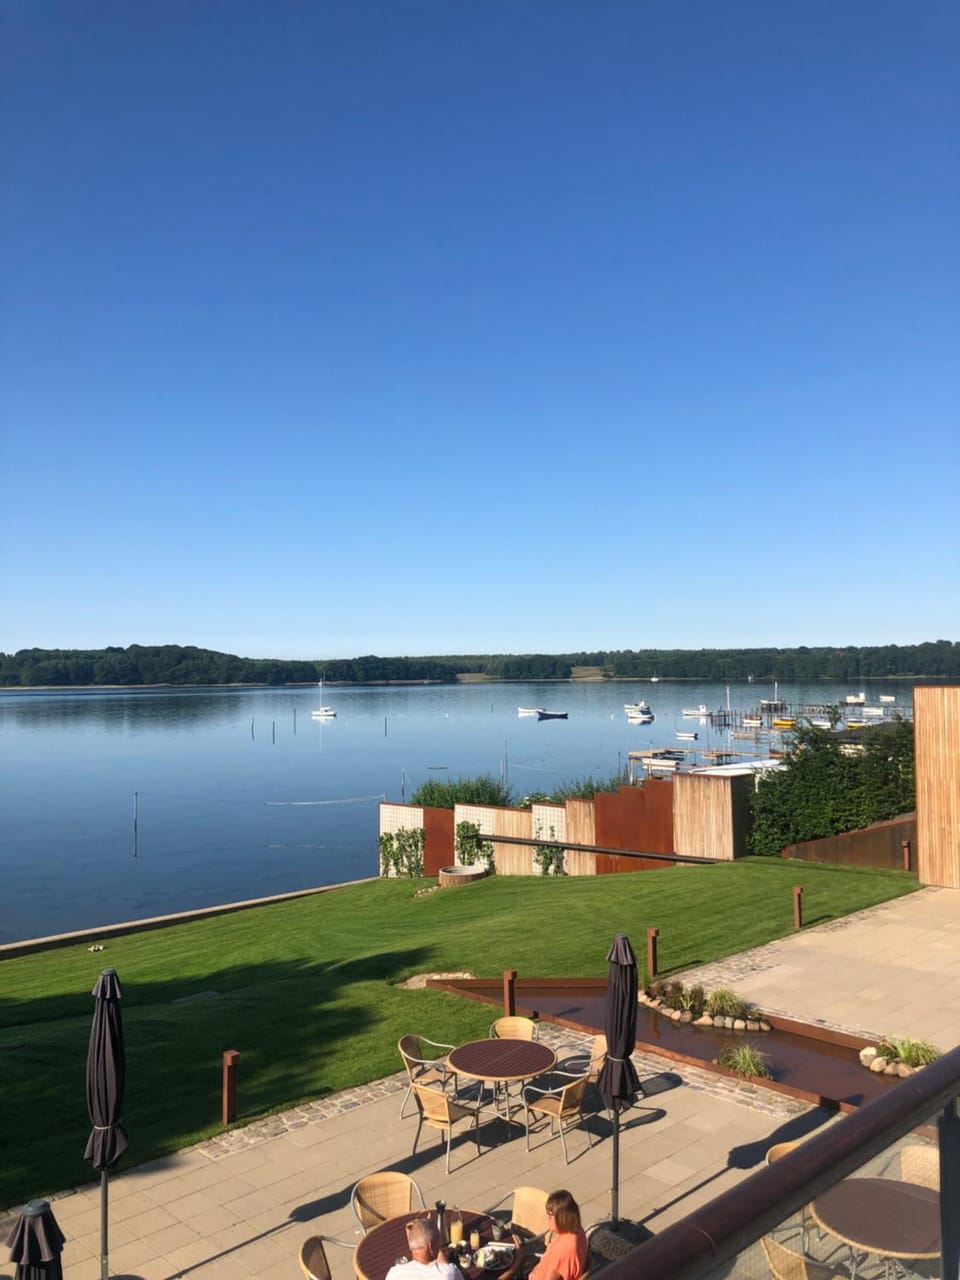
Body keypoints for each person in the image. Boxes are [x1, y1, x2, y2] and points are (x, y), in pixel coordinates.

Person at [529, 1190, 587, 1280]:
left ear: (562, 1218)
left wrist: (517, 1262)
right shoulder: (578, 1230)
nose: (547, 1219)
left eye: (550, 1216)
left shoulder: (563, 1251)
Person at [385, 1219, 463, 1280]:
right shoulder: (450, 1272)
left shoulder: (394, 1274)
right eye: (438, 1243)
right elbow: (445, 1268)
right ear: (430, 1246)